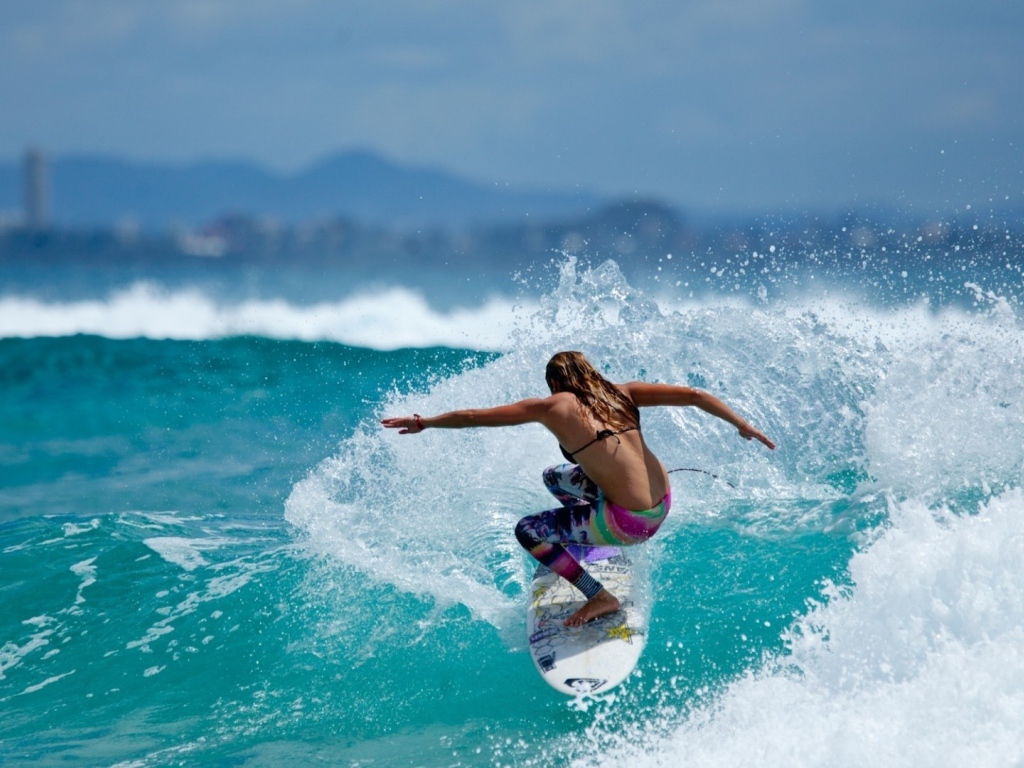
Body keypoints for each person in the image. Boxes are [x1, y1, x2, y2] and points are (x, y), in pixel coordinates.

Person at [381, 351, 775, 627]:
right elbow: (694, 395)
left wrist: (425, 422)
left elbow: (472, 417)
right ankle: (589, 538)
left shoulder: (553, 406)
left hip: (630, 522)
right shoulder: (623, 392)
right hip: (662, 504)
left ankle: (599, 595)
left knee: (528, 531)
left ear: (555, 383)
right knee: (554, 477)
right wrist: (741, 424)